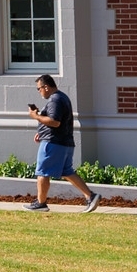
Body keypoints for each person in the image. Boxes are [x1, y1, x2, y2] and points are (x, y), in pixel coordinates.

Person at [26, 74, 100, 212]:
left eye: (39, 88)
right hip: (64, 142)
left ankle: (41, 203)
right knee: (67, 172)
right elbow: (57, 121)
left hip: (53, 143)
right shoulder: (62, 97)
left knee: (42, 172)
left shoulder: (55, 99)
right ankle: (90, 196)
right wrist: (42, 132)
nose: (39, 91)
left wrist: (35, 116)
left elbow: (55, 122)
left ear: (46, 87)